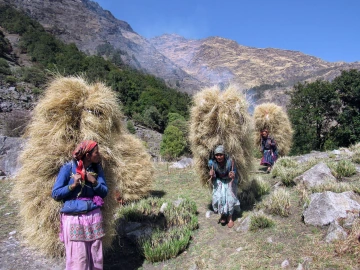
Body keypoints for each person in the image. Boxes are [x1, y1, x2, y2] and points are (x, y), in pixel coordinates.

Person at [52, 140, 108, 270]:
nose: (99, 154)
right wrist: (72, 186)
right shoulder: (68, 169)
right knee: (79, 258)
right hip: (75, 219)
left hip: (94, 217)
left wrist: (94, 181)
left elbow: (104, 192)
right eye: (96, 152)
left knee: (96, 256)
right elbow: (55, 194)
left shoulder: (97, 169)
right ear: (87, 155)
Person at [208, 145, 240, 228]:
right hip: (219, 181)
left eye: (221, 155)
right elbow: (214, 176)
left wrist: (232, 175)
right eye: (217, 155)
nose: (219, 157)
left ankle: (230, 217)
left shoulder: (230, 162)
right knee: (218, 197)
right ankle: (222, 214)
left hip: (229, 180)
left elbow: (234, 172)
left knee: (230, 198)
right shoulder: (212, 163)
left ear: (224, 155)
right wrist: (212, 174)